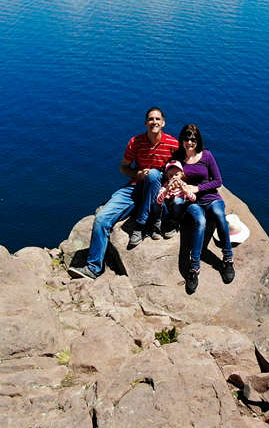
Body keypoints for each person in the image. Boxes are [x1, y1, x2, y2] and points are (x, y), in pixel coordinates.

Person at [68, 106, 178, 280]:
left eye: (157, 119)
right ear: (145, 123)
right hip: (135, 187)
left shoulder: (173, 144)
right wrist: (138, 174)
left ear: (163, 123)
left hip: (157, 192)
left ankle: (142, 224)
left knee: (155, 175)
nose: (154, 122)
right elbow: (123, 167)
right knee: (102, 219)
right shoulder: (135, 142)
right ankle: (94, 267)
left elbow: (183, 169)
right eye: (151, 119)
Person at [166, 123, 234, 294]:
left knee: (219, 215)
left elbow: (218, 181)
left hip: (210, 197)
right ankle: (194, 268)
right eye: (186, 139)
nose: (189, 142)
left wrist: (198, 188)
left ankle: (228, 259)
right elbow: (168, 175)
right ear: (181, 140)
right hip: (192, 201)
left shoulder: (207, 156)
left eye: (193, 139)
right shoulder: (177, 159)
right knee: (200, 222)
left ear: (198, 141)